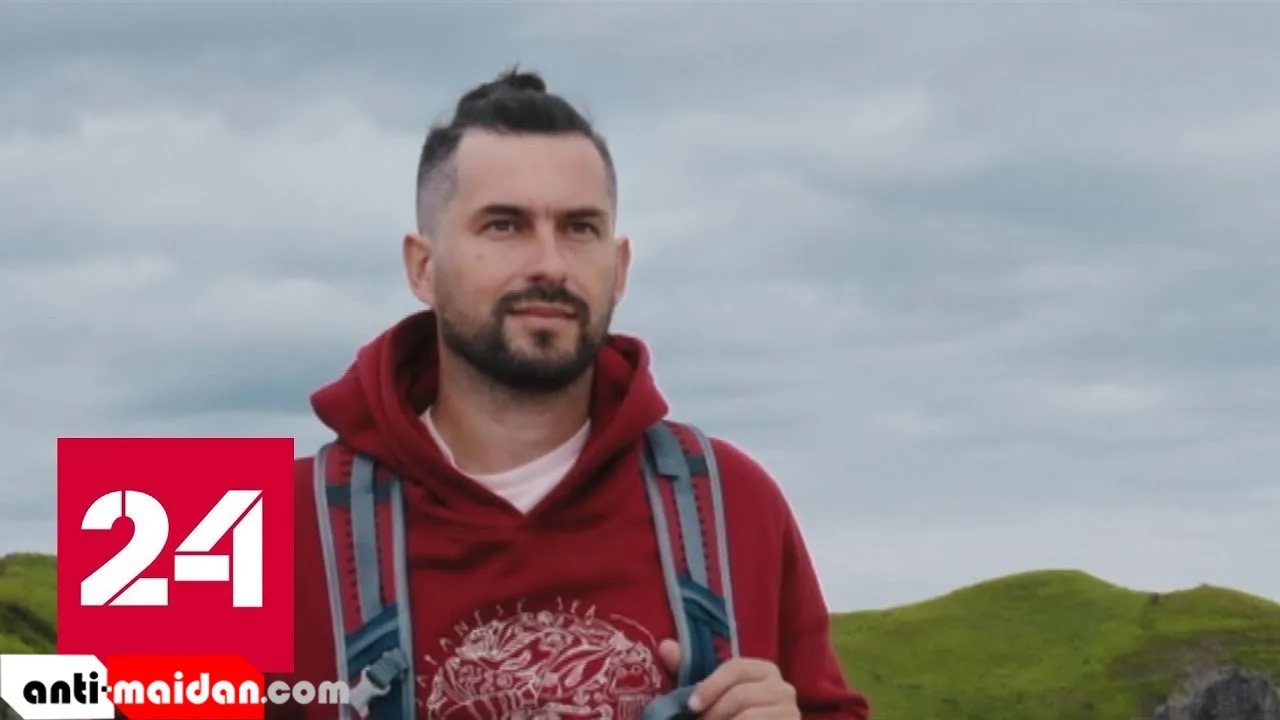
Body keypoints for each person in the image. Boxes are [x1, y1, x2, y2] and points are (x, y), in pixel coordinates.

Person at [268, 67, 870, 720]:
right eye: (504, 226)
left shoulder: (735, 502)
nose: (550, 264)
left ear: (620, 268)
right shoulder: (242, 524)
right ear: (423, 266)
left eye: (580, 228)